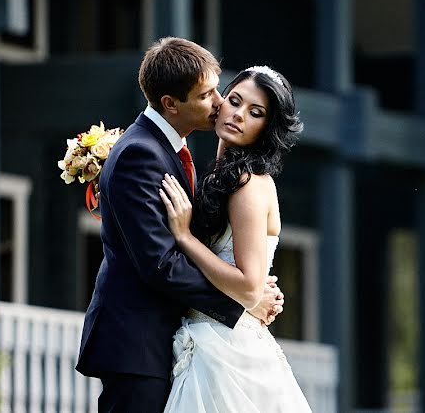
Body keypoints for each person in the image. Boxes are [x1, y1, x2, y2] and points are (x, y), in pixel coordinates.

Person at [75, 38, 284, 412]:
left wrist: (245, 291)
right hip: (137, 344)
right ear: (171, 104)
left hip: (174, 343)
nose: (221, 104)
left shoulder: (175, 154)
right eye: (209, 95)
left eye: (221, 91)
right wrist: (243, 303)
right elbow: (161, 264)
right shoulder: (142, 153)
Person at [158, 66, 311, 412]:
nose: (239, 115)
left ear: (266, 128)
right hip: (207, 339)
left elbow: (249, 286)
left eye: (255, 113)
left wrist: (184, 236)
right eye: (235, 101)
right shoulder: (220, 176)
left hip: (227, 350)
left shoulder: (249, 184)